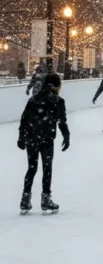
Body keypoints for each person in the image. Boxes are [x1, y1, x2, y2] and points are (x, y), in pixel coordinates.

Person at [17, 73, 70, 214]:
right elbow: (62, 121)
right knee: (47, 169)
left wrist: (21, 137)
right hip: (46, 139)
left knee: (31, 168)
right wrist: (66, 136)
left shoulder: (34, 99)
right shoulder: (58, 101)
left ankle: (25, 200)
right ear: (58, 86)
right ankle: (45, 200)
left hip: (31, 138)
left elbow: (24, 119)